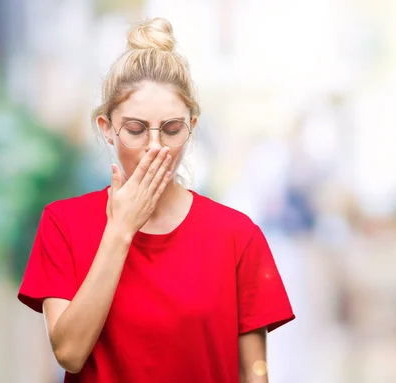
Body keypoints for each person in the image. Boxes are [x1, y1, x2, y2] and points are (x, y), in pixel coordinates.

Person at [17, 17, 295, 383]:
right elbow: (69, 353)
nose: (154, 147)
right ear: (107, 129)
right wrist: (120, 230)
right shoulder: (64, 223)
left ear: (192, 126)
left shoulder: (236, 236)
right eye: (134, 130)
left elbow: (254, 373)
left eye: (171, 129)